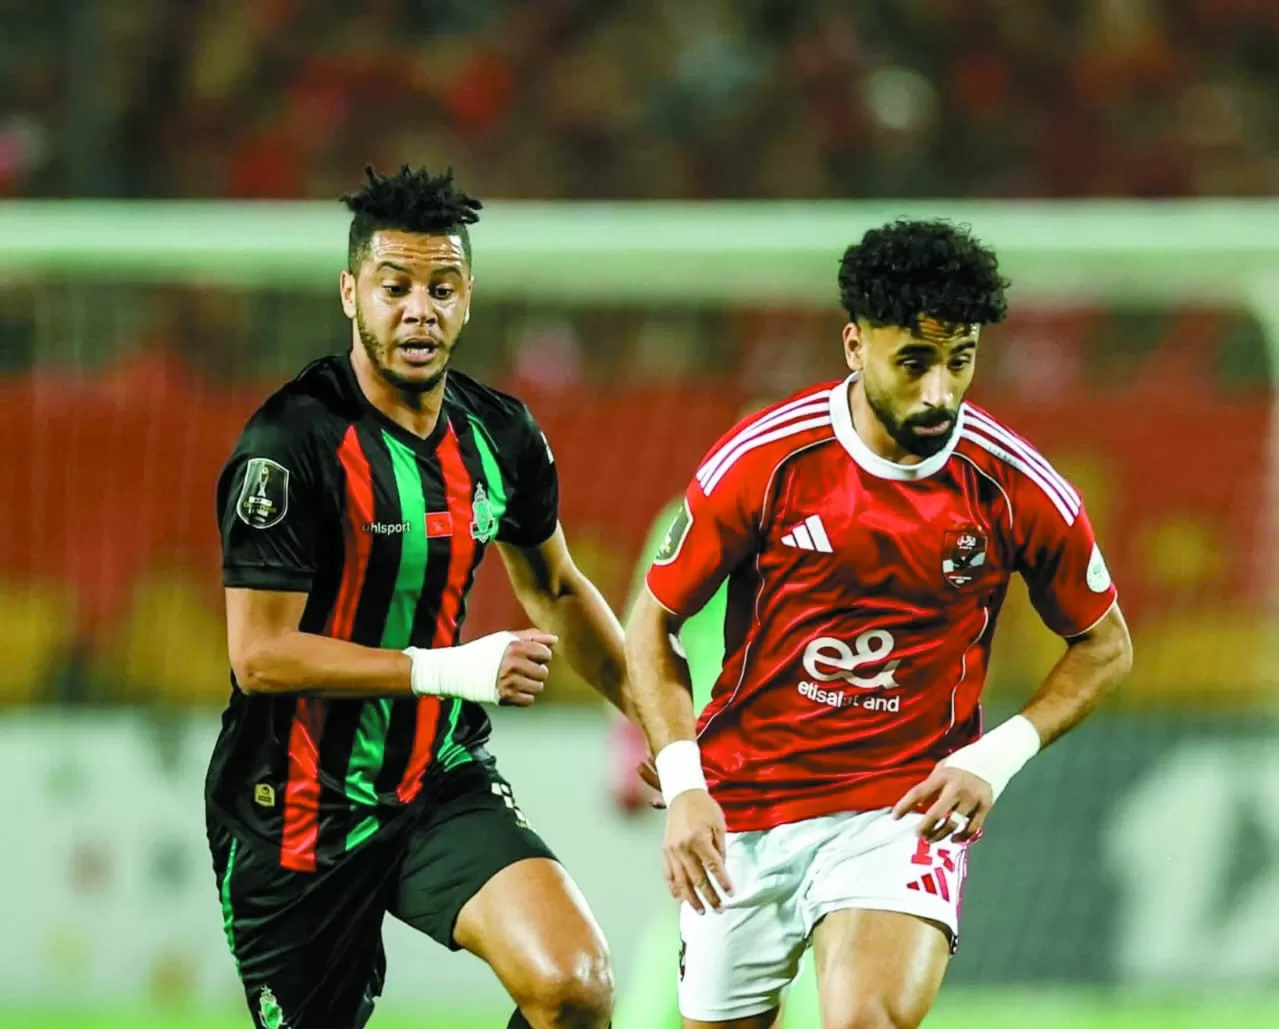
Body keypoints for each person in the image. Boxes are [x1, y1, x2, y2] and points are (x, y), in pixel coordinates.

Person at [623, 219, 1134, 1029]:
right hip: (747, 804)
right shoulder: (764, 460)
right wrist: (685, 784)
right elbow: (652, 625)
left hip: (899, 810)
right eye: (914, 361)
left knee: (866, 1019)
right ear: (855, 345)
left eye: (959, 359)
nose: (939, 391)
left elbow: (1104, 645)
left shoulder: (1013, 486)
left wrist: (990, 760)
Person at [207, 165, 629, 1029]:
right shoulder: (288, 443)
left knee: (575, 986)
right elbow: (259, 657)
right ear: (350, 293)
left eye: (441, 288)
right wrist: (446, 670)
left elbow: (555, 586)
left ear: (467, 298)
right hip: (296, 808)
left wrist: (663, 726)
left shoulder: (500, 434)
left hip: (437, 777)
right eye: (394, 286)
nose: (419, 311)